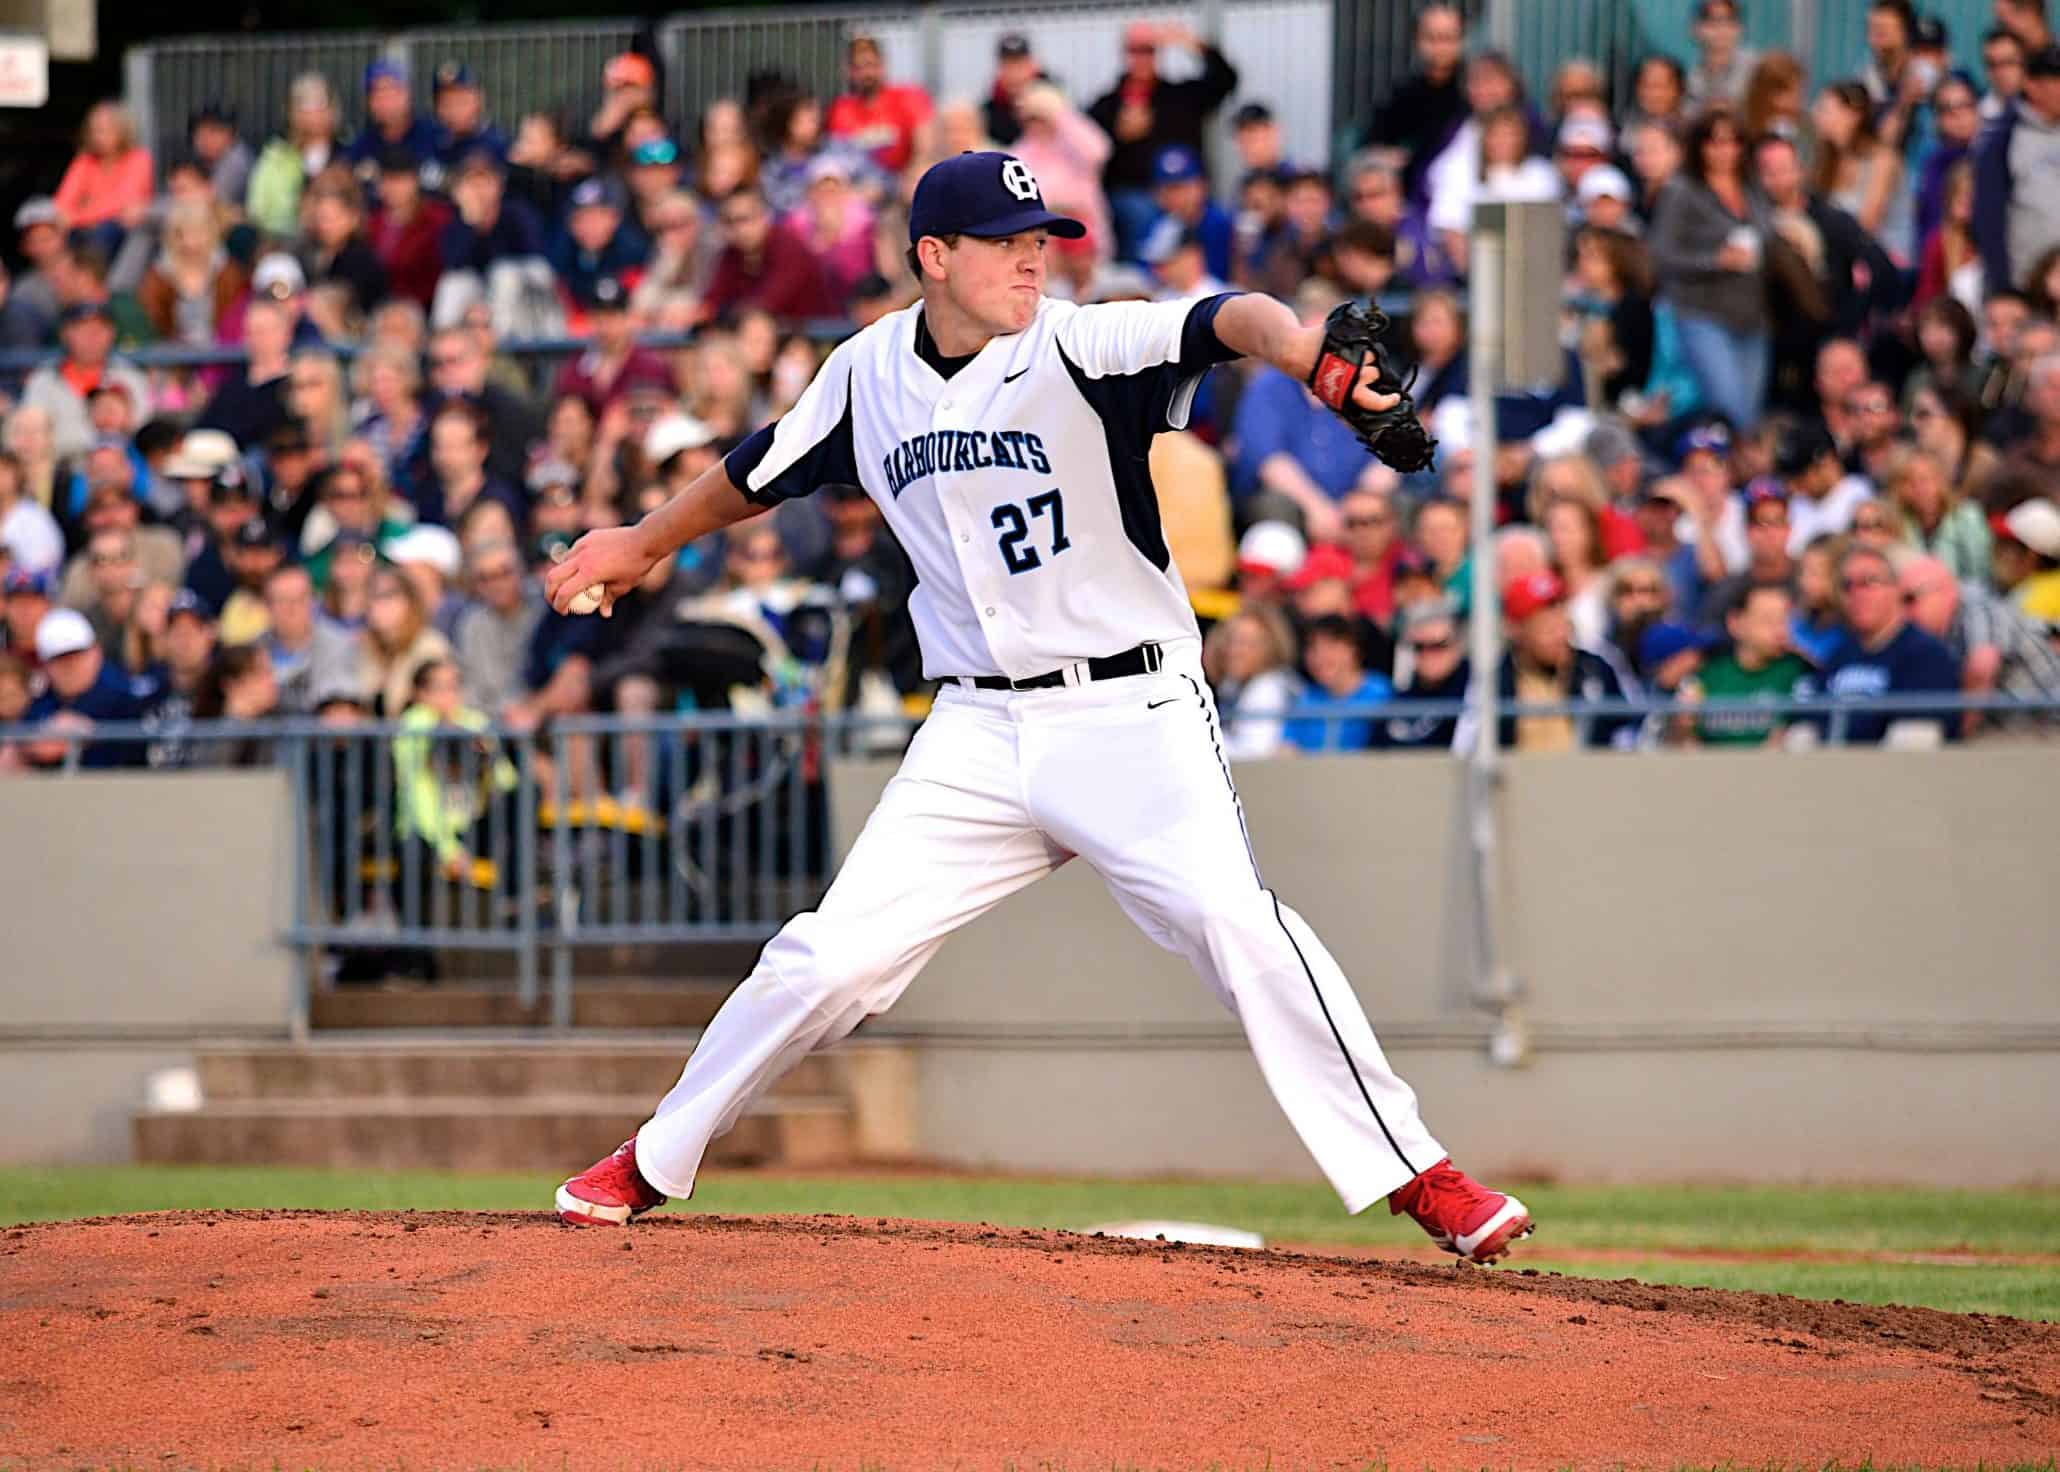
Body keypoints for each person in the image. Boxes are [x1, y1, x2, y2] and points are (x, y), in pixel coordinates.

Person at [545, 147, 1535, 1261]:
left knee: (1232, 920)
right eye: (1007, 246)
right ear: (933, 256)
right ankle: (650, 1157)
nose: (1031, 263)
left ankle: (1418, 1172)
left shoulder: (1078, 343)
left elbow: (1224, 318)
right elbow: (755, 468)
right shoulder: (867, 372)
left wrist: (1310, 354)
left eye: (1039, 243)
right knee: (826, 958)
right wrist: (636, 542)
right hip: (973, 729)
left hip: (1129, 712)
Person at [1648, 108, 1772, 432]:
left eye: (1732, 142)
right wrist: (1717, 259)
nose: (1724, 151)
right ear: (1700, 146)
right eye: (1715, 142)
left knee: (1751, 413)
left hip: (1752, 315)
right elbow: (1661, 254)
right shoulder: (1682, 191)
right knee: (1730, 407)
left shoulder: (1752, 190)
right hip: (1702, 313)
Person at [1088, 23, 1240, 259]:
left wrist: (1193, 44)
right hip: (1139, 196)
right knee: (1141, 212)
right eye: (1135, 50)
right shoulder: (1107, 106)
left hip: (1188, 191)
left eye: (1149, 50)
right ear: (1124, 53)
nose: (1142, 57)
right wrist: (1118, 135)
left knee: (1216, 221)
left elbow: (1226, 81)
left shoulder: (1180, 96)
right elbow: (1090, 156)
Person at [1465, 571, 1639, 752]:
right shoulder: (1494, 679)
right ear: (1516, 630)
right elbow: (1469, 743)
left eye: (1563, 622)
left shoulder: (1596, 668)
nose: (1560, 635)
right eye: (1547, 627)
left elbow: (1629, 727)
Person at [1900, 550, 2060, 735]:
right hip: (2024, 728)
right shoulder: (1936, 631)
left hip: (2051, 724)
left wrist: (1959, 737)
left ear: (1946, 590)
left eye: (1910, 599)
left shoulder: (1975, 606)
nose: (1904, 610)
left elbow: (1983, 665)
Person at [1822, 542, 1962, 743]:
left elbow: (1919, 728)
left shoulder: (1927, 655)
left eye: (1869, 582)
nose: (1857, 594)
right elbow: (1812, 718)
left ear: (1897, 589)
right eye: (1847, 586)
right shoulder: (1838, 654)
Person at [1359, 4, 1469, 204]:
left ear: (1461, 40)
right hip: (1412, 201)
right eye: (1431, 38)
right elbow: (1370, 147)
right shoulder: (1402, 95)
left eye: (1447, 38)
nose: (1440, 47)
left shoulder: (1476, 91)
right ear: (1418, 40)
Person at [1974, 42, 2060, 292]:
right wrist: (2002, 286)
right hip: (2027, 284)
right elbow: (1989, 217)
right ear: (2031, 85)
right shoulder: (2005, 139)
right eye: (2056, 80)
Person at [24, 606, 154, 769]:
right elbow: (30, 740)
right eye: (59, 660)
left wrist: (94, 733)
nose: (70, 667)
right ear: (46, 666)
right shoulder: (43, 700)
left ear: (95, 652)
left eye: (77, 656)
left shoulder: (124, 698)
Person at [20, 302, 151, 461]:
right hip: (59, 469)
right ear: (65, 334)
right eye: (82, 329)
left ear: (112, 333)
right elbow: (30, 435)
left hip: (118, 468)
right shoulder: (43, 380)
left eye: (99, 329)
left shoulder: (131, 377)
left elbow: (143, 430)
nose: (91, 337)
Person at [1693, 582, 1819, 745]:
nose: (1780, 630)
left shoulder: (1800, 672)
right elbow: (1684, 741)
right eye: (1768, 620)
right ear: (1735, 623)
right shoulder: (1708, 673)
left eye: (1785, 620)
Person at [701, 187, 838, 324]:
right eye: (730, 222)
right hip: (765, 333)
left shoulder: (789, 248)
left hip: (816, 336)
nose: (739, 229)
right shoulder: (732, 253)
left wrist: (723, 315)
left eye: (744, 219)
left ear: (764, 217)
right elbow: (712, 300)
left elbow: (767, 304)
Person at [53, 102, 154, 254]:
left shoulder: (139, 159)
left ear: (122, 131)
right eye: (93, 131)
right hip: (85, 229)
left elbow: (122, 201)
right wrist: (80, 219)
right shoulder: (84, 161)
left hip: (121, 231)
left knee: (106, 232)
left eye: (103, 130)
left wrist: (78, 217)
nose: (96, 136)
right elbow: (62, 204)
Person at [1281, 614, 1392, 752]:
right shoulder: (1304, 699)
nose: (1319, 657)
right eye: (1312, 648)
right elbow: (1286, 748)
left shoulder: (1383, 694)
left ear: (1353, 649)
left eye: (1331, 646)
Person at [346, 59, 439, 183]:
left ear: (406, 94)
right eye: (376, 94)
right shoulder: (362, 146)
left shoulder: (435, 137)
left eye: (391, 92)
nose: (384, 102)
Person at [1685, 0, 1758, 109]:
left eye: (1729, 20)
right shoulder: (1693, 79)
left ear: (1740, 28)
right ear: (1695, 29)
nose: (1722, 28)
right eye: (1712, 20)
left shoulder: (1756, 68)